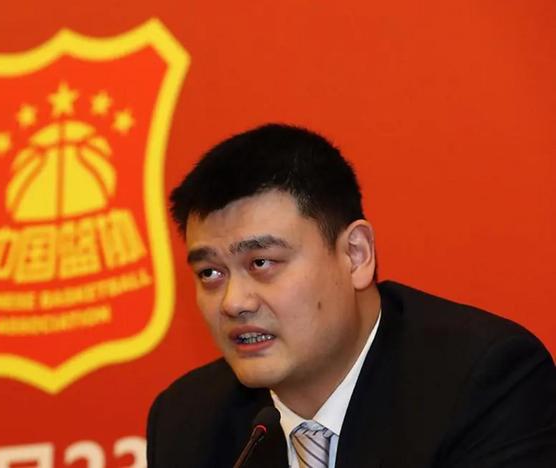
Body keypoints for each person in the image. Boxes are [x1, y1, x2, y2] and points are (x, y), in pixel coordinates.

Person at [146, 123, 556, 468]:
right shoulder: (186, 421)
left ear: (355, 255)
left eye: (261, 263)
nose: (234, 302)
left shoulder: (484, 383)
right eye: (210, 273)